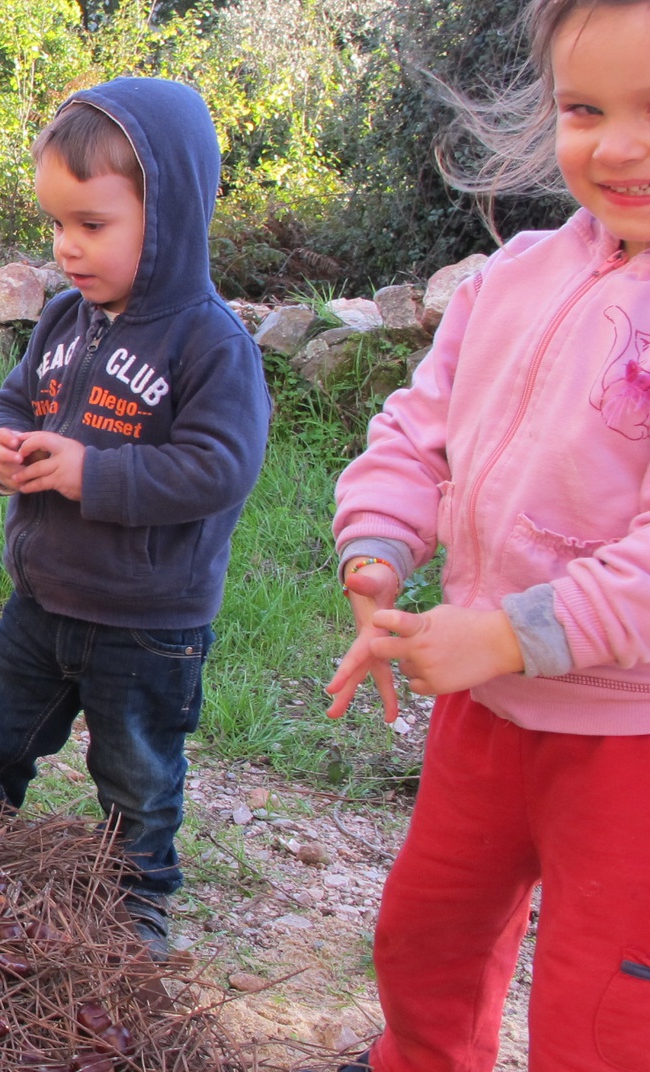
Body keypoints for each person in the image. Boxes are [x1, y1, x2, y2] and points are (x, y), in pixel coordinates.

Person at [325, 0, 650, 1066]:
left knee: (601, 1011)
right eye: (583, 108)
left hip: (625, 739)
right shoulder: (511, 277)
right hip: (486, 709)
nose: (613, 146)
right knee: (425, 938)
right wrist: (376, 543)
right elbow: (419, 426)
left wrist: (505, 632)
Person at [0, 79, 271, 960]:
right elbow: (9, 400)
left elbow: (220, 467)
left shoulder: (209, 341)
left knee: (138, 781)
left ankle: (136, 907)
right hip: (43, 599)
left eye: (92, 225)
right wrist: (0, 451)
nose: (67, 248)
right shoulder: (63, 318)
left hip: (150, 621)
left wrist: (95, 474)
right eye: (55, 225)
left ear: (169, 214)